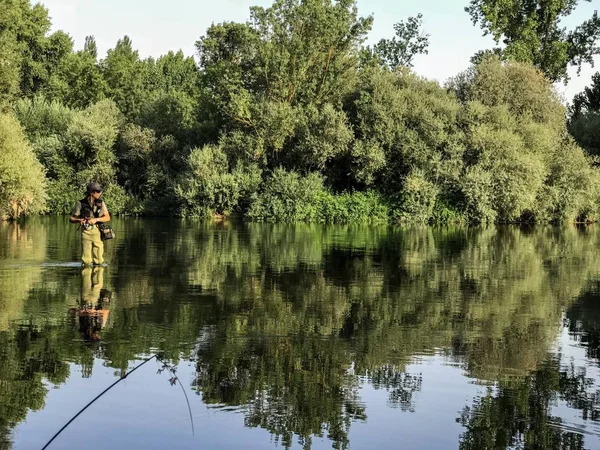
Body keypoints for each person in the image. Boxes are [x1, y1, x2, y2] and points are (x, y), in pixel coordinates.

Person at [69, 182, 111, 266]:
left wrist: (96, 219)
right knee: (86, 261)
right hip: (85, 232)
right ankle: (86, 276)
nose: (100, 193)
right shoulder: (80, 203)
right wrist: (79, 220)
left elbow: (107, 217)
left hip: (98, 232)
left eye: (100, 191)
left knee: (99, 261)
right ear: (91, 192)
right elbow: (71, 218)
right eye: (98, 191)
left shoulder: (101, 203)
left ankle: (98, 276)